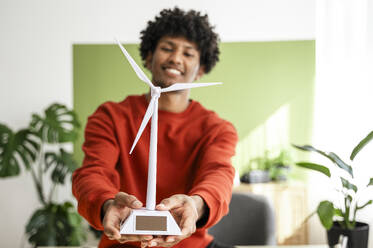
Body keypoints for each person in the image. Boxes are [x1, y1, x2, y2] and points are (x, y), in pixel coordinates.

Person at [72, 7, 238, 248]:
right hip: (123, 243)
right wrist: (108, 204)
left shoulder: (217, 129)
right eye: (167, 48)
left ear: (201, 69)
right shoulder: (110, 116)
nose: (176, 58)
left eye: (188, 54)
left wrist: (195, 204)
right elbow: (92, 172)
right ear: (149, 58)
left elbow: (219, 176)